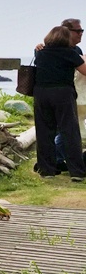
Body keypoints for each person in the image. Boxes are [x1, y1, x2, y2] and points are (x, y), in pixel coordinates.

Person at [34, 25, 86, 180]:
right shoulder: (69, 53)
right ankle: (77, 172)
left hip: (41, 93)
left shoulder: (40, 52)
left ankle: (47, 170)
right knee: (70, 132)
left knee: (44, 132)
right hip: (63, 93)